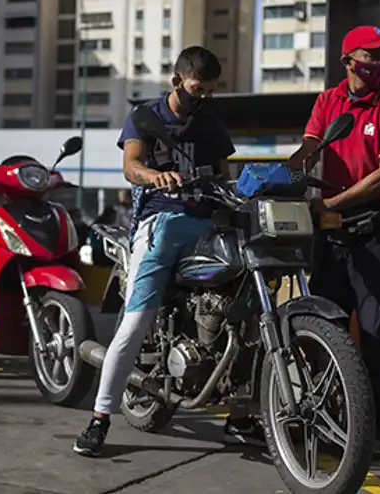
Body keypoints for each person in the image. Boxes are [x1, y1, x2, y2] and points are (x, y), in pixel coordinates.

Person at [73, 46, 263, 457]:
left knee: (244, 313)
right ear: (178, 81)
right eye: (199, 89)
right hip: (159, 224)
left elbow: (224, 179)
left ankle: (240, 415)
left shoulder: (211, 125)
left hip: (210, 229)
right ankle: (100, 418)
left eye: (212, 91)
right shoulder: (146, 115)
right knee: (135, 323)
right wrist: (156, 177)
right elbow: (131, 166)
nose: (204, 97)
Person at [287, 25, 380, 451]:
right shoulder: (328, 101)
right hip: (332, 233)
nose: (378, 63)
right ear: (348, 62)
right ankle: (327, 419)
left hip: (377, 229)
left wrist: (332, 204)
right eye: (370, 55)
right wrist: (280, 179)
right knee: (323, 326)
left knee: (379, 331)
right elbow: (308, 147)